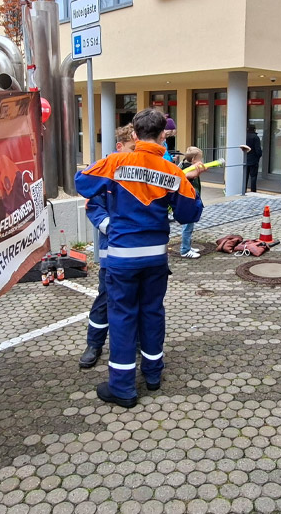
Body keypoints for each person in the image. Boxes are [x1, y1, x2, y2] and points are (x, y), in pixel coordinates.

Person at [75, 110, 203, 407]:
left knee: (122, 317)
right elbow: (188, 214)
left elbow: (82, 183)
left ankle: (123, 389)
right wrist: (189, 184)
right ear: (162, 136)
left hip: (121, 259)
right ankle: (153, 375)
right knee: (152, 313)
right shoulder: (171, 171)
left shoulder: (116, 162)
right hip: (155, 259)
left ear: (134, 135)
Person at [79, 124, 136, 369]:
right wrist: (115, 227)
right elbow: (93, 206)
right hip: (111, 253)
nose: (137, 154)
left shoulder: (140, 171)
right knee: (105, 299)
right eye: (133, 149)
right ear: (119, 148)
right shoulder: (106, 172)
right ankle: (94, 343)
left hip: (137, 252)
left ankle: (137, 342)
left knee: (137, 300)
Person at [179, 147, 207, 258]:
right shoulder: (187, 169)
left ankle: (187, 246)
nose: (202, 160)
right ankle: (185, 250)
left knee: (189, 226)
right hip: (188, 202)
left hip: (190, 201)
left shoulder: (186, 166)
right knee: (187, 227)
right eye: (200, 158)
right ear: (194, 159)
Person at [245, 125, 262, 193]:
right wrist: (259, 156)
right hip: (253, 160)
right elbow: (258, 149)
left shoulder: (244, 136)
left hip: (245, 159)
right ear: (254, 130)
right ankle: (253, 191)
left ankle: (244, 190)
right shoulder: (255, 137)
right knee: (253, 176)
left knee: (245, 176)